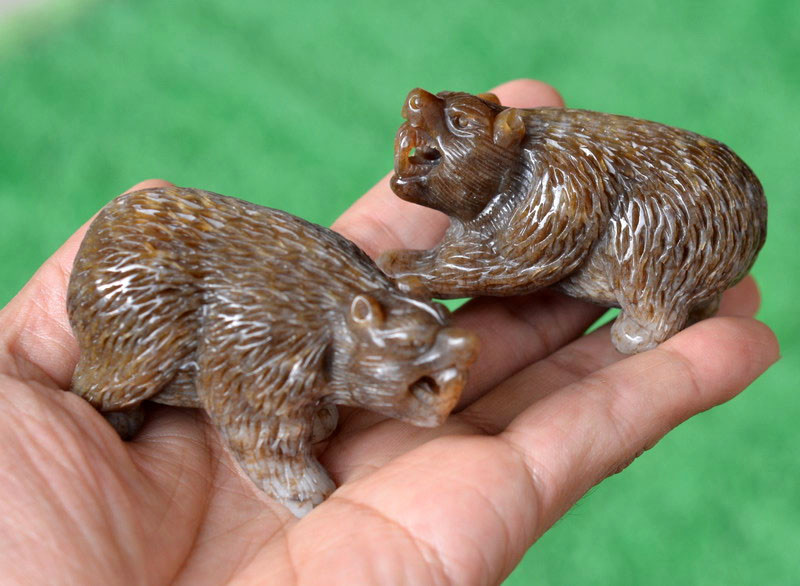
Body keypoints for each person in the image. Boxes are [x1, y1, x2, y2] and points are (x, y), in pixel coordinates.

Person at [0, 79, 778, 584]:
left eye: (433, 166)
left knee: (625, 264)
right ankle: (122, 389)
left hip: (677, 235)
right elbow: (258, 407)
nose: (412, 184)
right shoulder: (293, 342)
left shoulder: (552, 185)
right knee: (144, 366)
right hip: (156, 295)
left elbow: (519, 256)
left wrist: (441, 277)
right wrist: (294, 462)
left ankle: (657, 305)